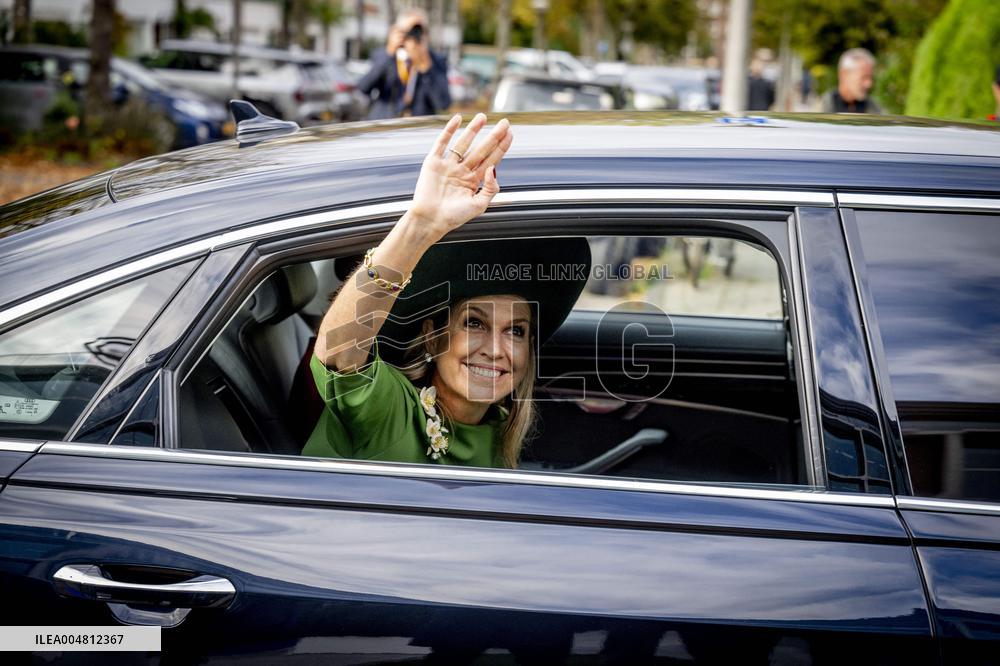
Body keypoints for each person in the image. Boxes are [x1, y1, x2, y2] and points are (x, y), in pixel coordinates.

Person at [303, 113, 591, 469]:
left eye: (515, 331)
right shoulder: (391, 411)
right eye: (474, 323)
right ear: (431, 335)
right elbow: (339, 352)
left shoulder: (496, 430)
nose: (496, 350)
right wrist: (420, 224)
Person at [358, 9, 452, 119]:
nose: (414, 35)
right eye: (409, 31)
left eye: (419, 30)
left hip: (417, 129)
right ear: (397, 31)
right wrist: (390, 53)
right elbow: (364, 88)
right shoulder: (383, 56)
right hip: (385, 125)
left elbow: (443, 104)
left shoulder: (437, 60)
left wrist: (426, 66)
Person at [822, 48, 882, 114]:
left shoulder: (875, 108)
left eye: (870, 78)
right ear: (844, 74)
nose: (869, 84)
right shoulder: (820, 107)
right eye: (863, 77)